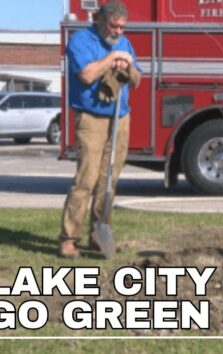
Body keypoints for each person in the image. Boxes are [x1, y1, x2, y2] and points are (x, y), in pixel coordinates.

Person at [58, 0, 141, 258]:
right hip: (91, 119)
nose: (117, 32)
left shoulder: (125, 44)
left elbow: (137, 80)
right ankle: (68, 239)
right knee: (86, 179)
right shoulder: (81, 41)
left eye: (122, 28)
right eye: (113, 26)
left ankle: (99, 235)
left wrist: (127, 67)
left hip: (119, 118)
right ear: (100, 21)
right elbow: (86, 75)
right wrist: (112, 58)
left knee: (108, 182)